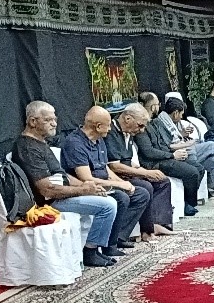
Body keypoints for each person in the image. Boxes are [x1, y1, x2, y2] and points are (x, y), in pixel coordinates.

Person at [12, 101, 120, 267]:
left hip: (59, 196)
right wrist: (82, 191)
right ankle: (90, 250)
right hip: (47, 204)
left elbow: (62, 176)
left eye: (54, 119)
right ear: (33, 122)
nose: (54, 123)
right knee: (108, 206)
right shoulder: (28, 148)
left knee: (106, 197)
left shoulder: (41, 143)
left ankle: (98, 248)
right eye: (48, 120)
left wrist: (88, 188)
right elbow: (47, 190)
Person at [59, 107, 150, 251]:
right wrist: (119, 186)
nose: (110, 129)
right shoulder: (75, 143)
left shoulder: (99, 139)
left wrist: (122, 182)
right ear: (98, 126)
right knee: (121, 197)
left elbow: (105, 168)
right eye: (108, 125)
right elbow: (86, 178)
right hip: (88, 187)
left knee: (141, 193)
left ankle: (119, 237)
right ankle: (107, 245)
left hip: (105, 183)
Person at [157, 96, 214, 206]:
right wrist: (187, 143)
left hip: (189, 151)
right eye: (181, 114)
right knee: (212, 145)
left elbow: (175, 138)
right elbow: (168, 145)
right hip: (183, 153)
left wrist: (183, 134)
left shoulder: (170, 122)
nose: (181, 117)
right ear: (176, 113)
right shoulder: (161, 123)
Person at [105, 104, 175, 240]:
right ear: (127, 119)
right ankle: (145, 230)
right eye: (140, 125)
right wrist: (145, 174)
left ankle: (158, 223)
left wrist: (144, 170)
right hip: (116, 176)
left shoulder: (129, 132)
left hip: (128, 172)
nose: (142, 130)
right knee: (145, 186)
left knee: (162, 181)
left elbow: (127, 160)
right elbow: (114, 166)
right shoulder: (111, 132)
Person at [134, 95, 206, 216]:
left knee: (199, 168)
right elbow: (149, 152)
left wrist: (174, 153)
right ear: (153, 107)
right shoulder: (141, 127)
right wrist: (172, 155)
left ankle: (188, 201)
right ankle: (188, 205)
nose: (160, 106)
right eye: (157, 104)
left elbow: (162, 144)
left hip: (165, 156)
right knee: (192, 172)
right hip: (154, 163)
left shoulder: (153, 123)